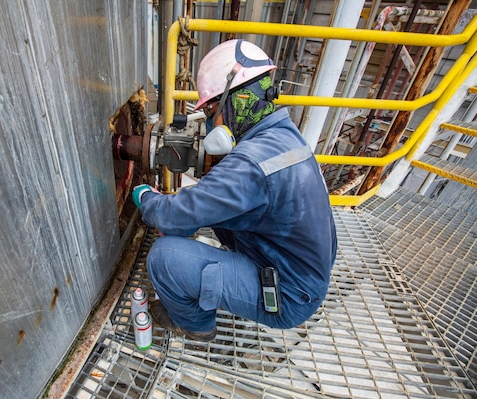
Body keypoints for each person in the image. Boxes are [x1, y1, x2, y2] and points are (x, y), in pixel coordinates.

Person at [132, 39, 337, 342]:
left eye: (213, 108)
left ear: (236, 99)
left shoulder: (252, 164)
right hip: (298, 272)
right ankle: (227, 283)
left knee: (164, 258)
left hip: (287, 294)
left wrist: (146, 197)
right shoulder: (283, 137)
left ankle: (195, 325)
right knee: (212, 218)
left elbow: (173, 216)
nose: (213, 121)